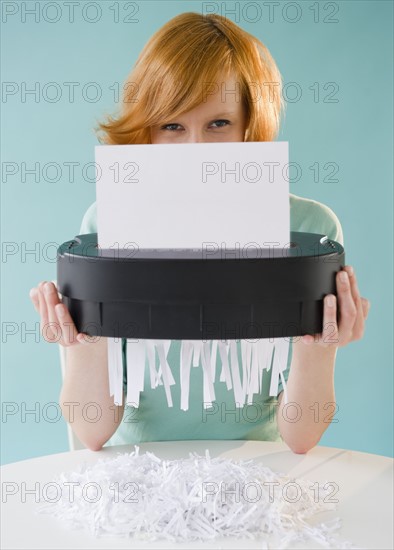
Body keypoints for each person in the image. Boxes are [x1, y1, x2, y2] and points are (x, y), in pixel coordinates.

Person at [29, 12, 370, 454]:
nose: (196, 151)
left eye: (218, 124)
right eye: (172, 125)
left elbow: (301, 438)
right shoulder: (105, 225)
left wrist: (321, 348)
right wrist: (82, 344)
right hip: (136, 471)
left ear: (250, 122)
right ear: (147, 129)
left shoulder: (310, 231)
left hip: (253, 471)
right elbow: (92, 433)